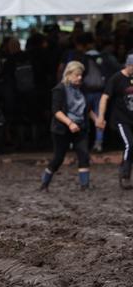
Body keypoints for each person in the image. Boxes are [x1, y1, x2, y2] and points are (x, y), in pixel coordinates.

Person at [40, 61, 93, 191]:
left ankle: (84, 185)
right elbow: (56, 111)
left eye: (81, 75)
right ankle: (45, 183)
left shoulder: (82, 88)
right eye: (77, 75)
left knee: (83, 154)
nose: (80, 78)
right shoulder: (60, 89)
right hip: (62, 129)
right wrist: (70, 123)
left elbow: (88, 108)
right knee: (58, 157)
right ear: (68, 75)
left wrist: (97, 119)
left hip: (80, 126)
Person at [97, 53, 133, 189]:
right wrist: (100, 116)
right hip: (121, 119)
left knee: (130, 147)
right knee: (130, 144)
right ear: (129, 65)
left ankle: (126, 171)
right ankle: (125, 175)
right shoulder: (116, 78)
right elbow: (104, 98)